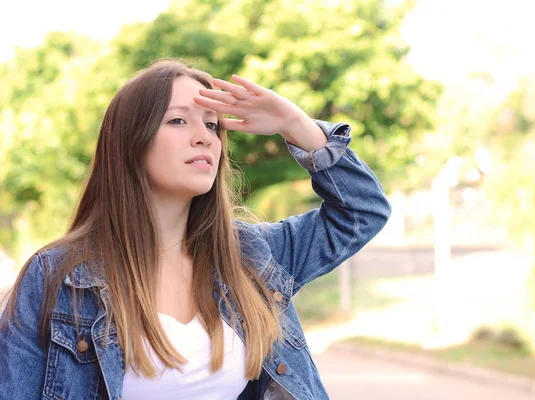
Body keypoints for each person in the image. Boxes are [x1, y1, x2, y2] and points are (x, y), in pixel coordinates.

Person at [0, 59, 391, 400]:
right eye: (178, 120)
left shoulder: (253, 255)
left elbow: (362, 211)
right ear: (131, 142)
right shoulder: (58, 277)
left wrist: (296, 125)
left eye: (212, 124)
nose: (205, 136)